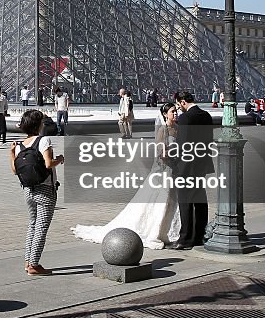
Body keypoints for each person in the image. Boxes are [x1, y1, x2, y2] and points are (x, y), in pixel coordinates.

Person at [72, 102, 182, 248]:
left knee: (172, 201)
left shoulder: (177, 128)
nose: (175, 114)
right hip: (163, 170)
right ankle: (158, 230)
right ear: (165, 114)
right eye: (172, 112)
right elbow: (161, 153)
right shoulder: (162, 130)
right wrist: (177, 154)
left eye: (176, 111)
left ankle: (170, 229)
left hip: (174, 170)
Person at [10, 109, 64, 275]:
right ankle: (34, 264)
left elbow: (14, 170)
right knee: (41, 227)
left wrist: (11, 153)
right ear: (38, 125)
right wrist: (60, 159)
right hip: (45, 189)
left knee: (32, 225)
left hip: (28, 189)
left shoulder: (20, 146)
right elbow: (48, 164)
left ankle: (28, 261)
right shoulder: (43, 141)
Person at [170, 91, 215, 249]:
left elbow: (182, 145)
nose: (178, 108)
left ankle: (185, 239)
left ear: (182, 102)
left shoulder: (185, 118)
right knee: (200, 201)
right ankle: (199, 236)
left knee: (185, 203)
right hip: (201, 165)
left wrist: (174, 161)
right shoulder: (206, 116)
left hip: (186, 166)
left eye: (178, 104)